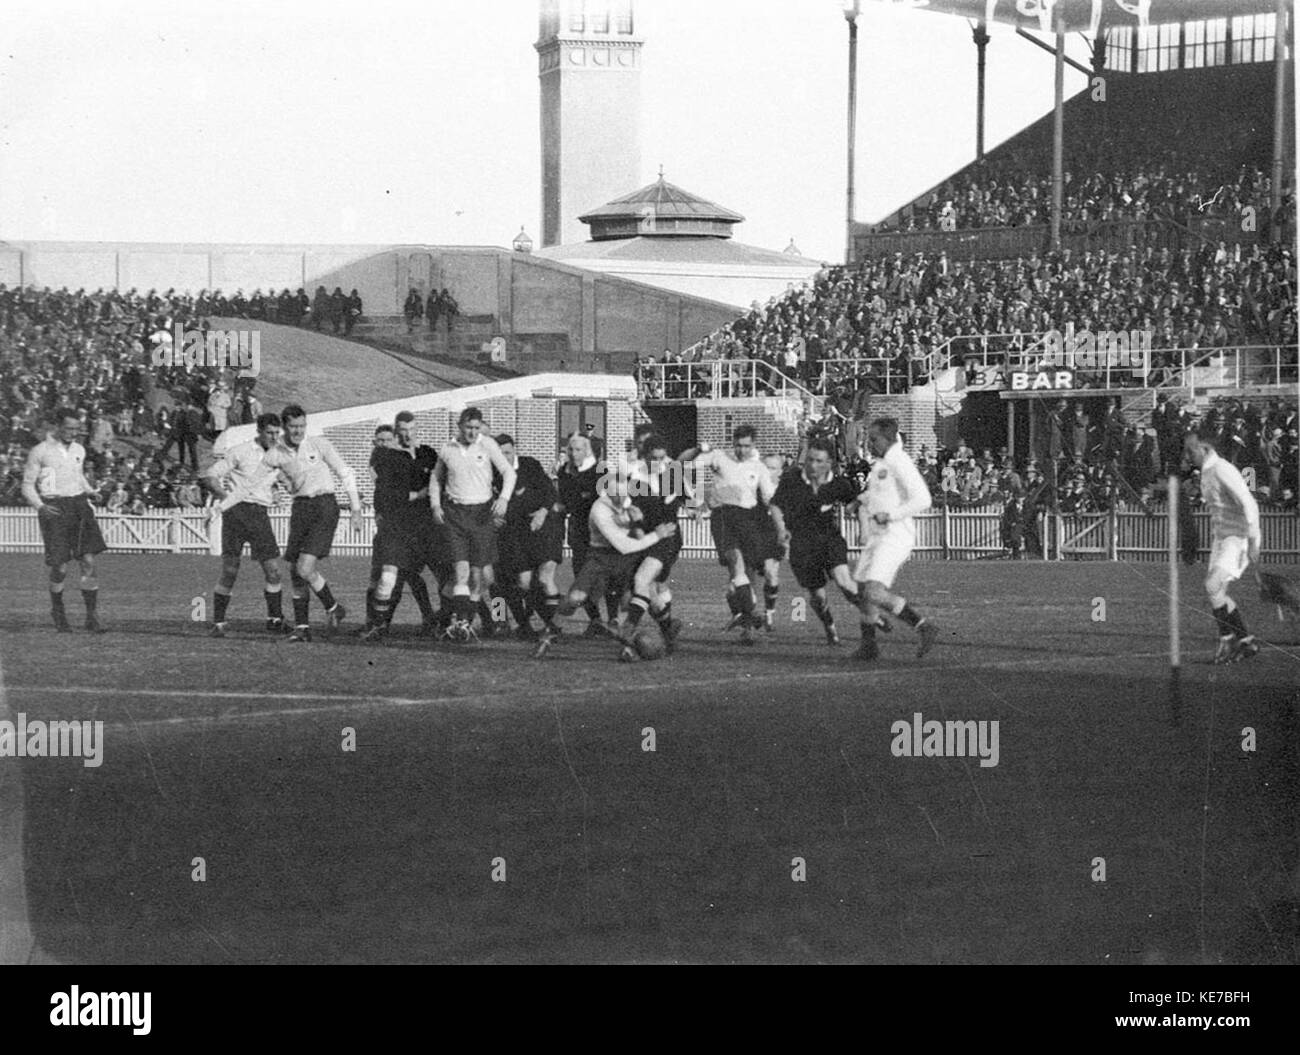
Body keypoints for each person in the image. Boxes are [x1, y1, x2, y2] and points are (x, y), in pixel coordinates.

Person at [533, 472, 678, 661]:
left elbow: (641, 531)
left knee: (636, 598)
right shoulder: (599, 510)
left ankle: (639, 639)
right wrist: (656, 535)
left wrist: (641, 524)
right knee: (575, 598)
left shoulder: (634, 501)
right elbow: (624, 545)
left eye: (624, 494)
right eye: (616, 494)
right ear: (607, 492)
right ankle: (546, 632)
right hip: (601, 557)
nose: (621, 499)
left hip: (630, 558)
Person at [679, 425, 780, 645]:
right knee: (735, 562)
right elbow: (682, 464)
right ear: (733, 443)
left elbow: (769, 497)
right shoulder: (718, 457)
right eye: (738, 445)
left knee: (746, 573)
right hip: (724, 516)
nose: (742, 450)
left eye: (747, 446)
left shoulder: (758, 467)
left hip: (749, 518)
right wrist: (698, 449)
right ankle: (748, 617)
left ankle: (746, 624)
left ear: (754, 445)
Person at [272, 404, 363, 642]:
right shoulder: (277, 450)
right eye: (293, 426)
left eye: (301, 426)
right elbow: (268, 472)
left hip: (324, 506)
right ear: (284, 427)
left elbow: (345, 472)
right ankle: (302, 628)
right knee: (295, 570)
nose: (298, 431)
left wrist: (355, 509)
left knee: (304, 568)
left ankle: (333, 607)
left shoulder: (319, 444)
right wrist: (280, 482)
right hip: (300, 508)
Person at [853, 417, 940, 662]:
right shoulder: (883, 462)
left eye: (874, 439)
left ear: (888, 438)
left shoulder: (899, 461)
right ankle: (869, 645)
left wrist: (891, 515)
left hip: (894, 536)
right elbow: (883, 492)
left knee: (874, 592)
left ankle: (923, 626)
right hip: (878, 535)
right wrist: (862, 499)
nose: (870, 444)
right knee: (862, 590)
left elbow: (923, 499)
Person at [428, 407, 515, 641]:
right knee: (472, 576)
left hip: (500, 527)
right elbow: (440, 479)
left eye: (508, 453)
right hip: (468, 519)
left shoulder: (526, 470)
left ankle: (501, 619)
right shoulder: (455, 451)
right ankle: (474, 621)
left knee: (491, 579)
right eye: (503, 452)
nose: (505, 457)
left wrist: (503, 502)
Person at [768, 437, 864, 647]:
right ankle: (831, 629)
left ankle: (871, 615)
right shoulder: (792, 480)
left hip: (829, 539)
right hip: (802, 547)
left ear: (829, 463)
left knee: (845, 583)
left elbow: (857, 503)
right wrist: (781, 529)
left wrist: (862, 525)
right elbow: (775, 505)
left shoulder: (838, 483)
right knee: (818, 598)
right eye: (810, 460)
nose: (813, 465)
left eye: (819, 461)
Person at [21, 408, 108, 632]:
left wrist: (89, 491)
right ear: (57, 427)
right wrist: (40, 506)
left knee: (88, 561)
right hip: (55, 508)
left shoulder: (79, 449)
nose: (72, 433)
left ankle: (92, 616)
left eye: (76, 429)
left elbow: (77, 474)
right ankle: (58, 610)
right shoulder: (40, 451)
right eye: (68, 428)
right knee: (60, 567)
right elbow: (27, 485)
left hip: (79, 505)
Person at [203, 412, 287, 637]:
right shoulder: (241, 451)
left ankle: (275, 620)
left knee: (273, 570)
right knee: (230, 570)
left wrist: (278, 489)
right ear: (258, 431)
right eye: (269, 432)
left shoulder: (280, 454)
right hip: (236, 514)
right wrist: (224, 497)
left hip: (259, 515)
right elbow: (210, 475)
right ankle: (218, 623)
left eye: (277, 433)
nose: (273, 437)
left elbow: (280, 478)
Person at [1184, 428, 1261, 664]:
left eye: (1190, 450)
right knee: (1216, 592)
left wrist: (1253, 541)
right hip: (1222, 538)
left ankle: (1227, 639)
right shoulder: (1206, 471)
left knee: (1212, 584)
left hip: (1237, 538)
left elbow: (1249, 503)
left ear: (1205, 449)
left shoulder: (1222, 470)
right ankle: (1246, 641)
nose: (1187, 455)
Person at [360, 422, 437, 641]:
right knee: (390, 575)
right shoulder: (382, 462)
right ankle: (498, 622)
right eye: (380, 441)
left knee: (489, 580)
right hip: (397, 528)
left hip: (485, 528)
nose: (383, 445)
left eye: (387, 440)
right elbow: (384, 493)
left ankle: (497, 620)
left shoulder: (520, 471)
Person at [620, 436, 686, 656]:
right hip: (644, 539)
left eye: (661, 458)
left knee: (641, 580)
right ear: (644, 457)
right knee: (647, 590)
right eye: (653, 458)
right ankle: (668, 628)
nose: (658, 462)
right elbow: (630, 513)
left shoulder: (672, 476)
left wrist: (696, 507)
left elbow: (684, 502)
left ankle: (627, 631)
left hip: (666, 540)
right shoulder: (634, 479)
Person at [493, 434, 563, 639]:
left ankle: (529, 623)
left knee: (519, 583)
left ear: (514, 450)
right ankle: (498, 620)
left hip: (523, 533)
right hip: (499, 534)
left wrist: (541, 512)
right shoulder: (487, 471)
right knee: (494, 581)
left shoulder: (529, 466)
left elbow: (549, 493)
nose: (503, 457)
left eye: (507, 452)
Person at [554, 433, 608, 636]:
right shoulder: (564, 472)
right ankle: (501, 620)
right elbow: (564, 501)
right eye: (570, 449)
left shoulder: (599, 472)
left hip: (600, 532)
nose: (573, 453)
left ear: (587, 451)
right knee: (580, 576)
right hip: (577, 531)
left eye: (577, 449)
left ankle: (611, 621)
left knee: (602, 580)